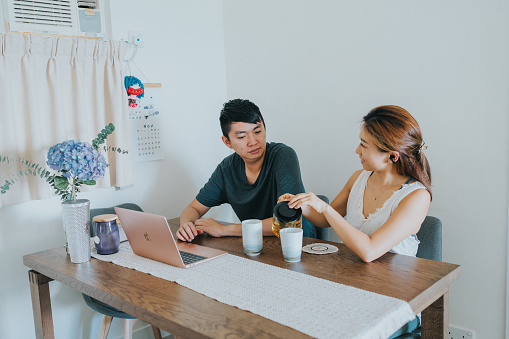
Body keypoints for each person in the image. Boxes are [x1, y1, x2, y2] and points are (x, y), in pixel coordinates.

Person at [280, 105, 431, 263]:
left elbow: (370, 251)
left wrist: (325, 207)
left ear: (391, 156)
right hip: (351, 274)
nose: (357, 150)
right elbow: (325, 219)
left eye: (364, 145)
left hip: (393, 284)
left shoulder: (417, 197)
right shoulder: (359, 178)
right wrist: (300, 204)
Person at [177, 98, 313, 242]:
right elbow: (193, 209)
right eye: (242, 136)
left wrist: (224, 229)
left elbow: (287, 223)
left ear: (265, 128)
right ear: (227, 142)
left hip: (299, 247)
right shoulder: (227, 169)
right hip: (256, 246)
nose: (253, 141)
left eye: (257, 131)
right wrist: (186, 226)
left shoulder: (283, 156)